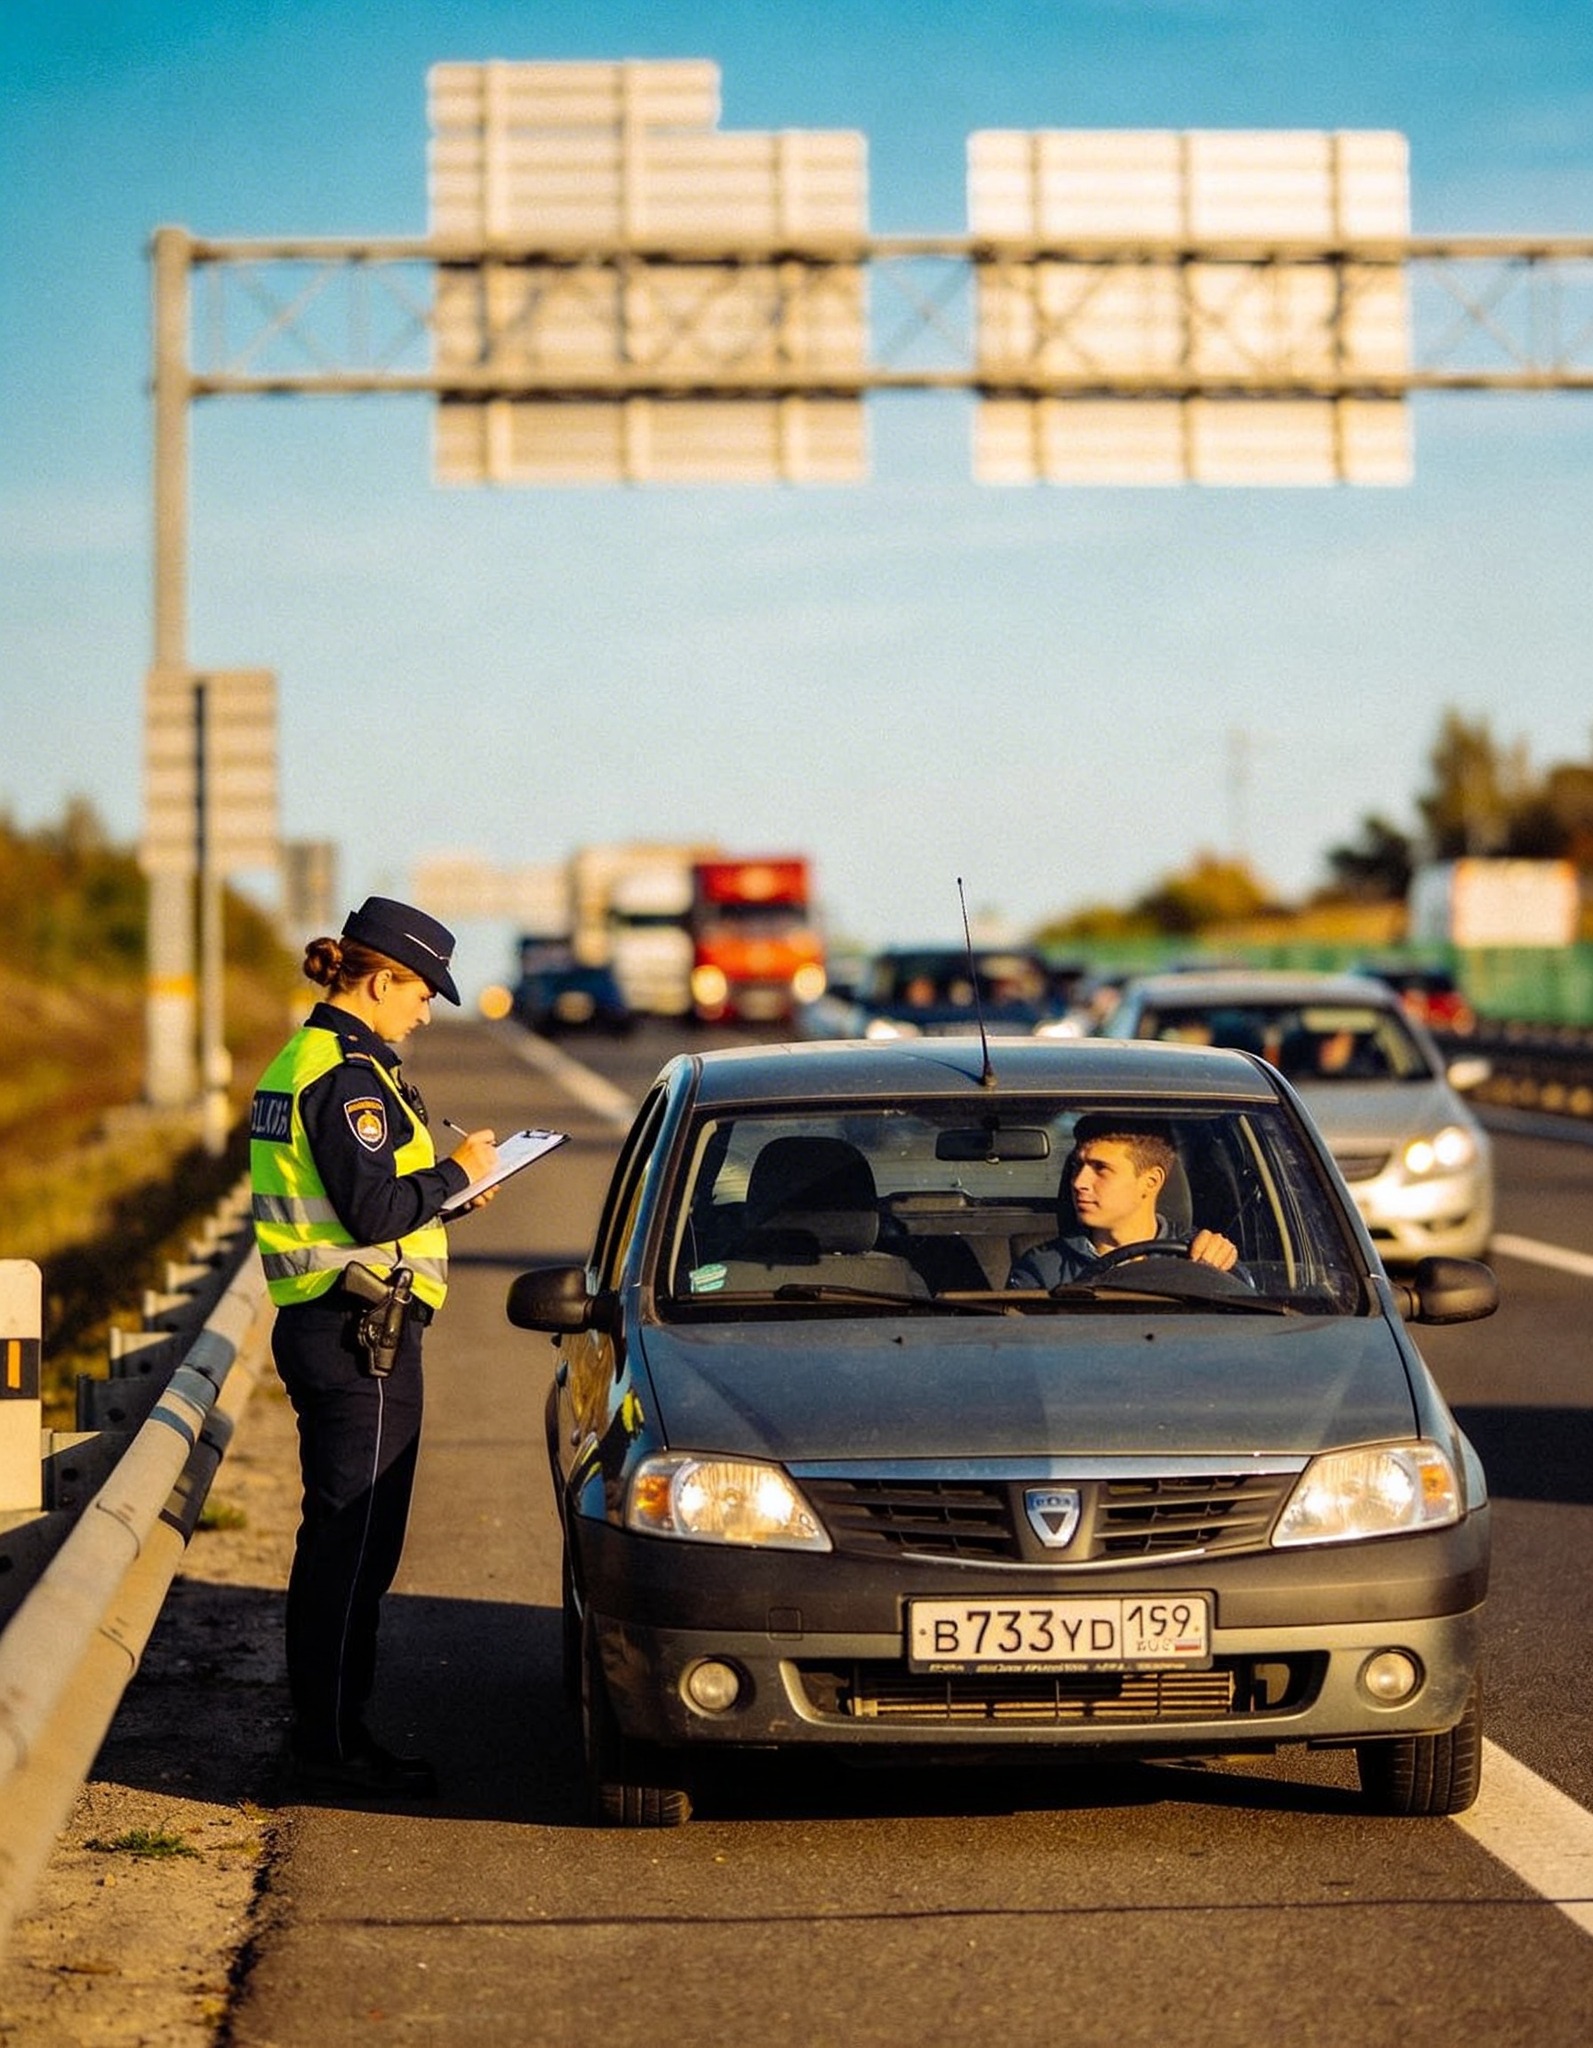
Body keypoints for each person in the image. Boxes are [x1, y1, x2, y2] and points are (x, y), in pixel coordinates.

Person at [249, 896, 498, 1798]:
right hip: (361, 1336)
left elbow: (371, 1200)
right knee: (353, 1551)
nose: (426, 1012)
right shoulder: (347, 1077)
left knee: (341, 1544)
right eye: (423, 993)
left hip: (333, 1324)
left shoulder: (308, 1059)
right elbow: (372, 1211)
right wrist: (457, 1171)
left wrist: (447, 1194)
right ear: (382, 979)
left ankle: (331, 1737)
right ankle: (329, 1750)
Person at [1008, 1115, 1239, 1289]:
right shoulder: (1043, 1270)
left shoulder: (1200, 1256)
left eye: (1101, 1168)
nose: (1079, 1182)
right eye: (1078, 1166)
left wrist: (1224, 1262)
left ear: (1151, 1181)